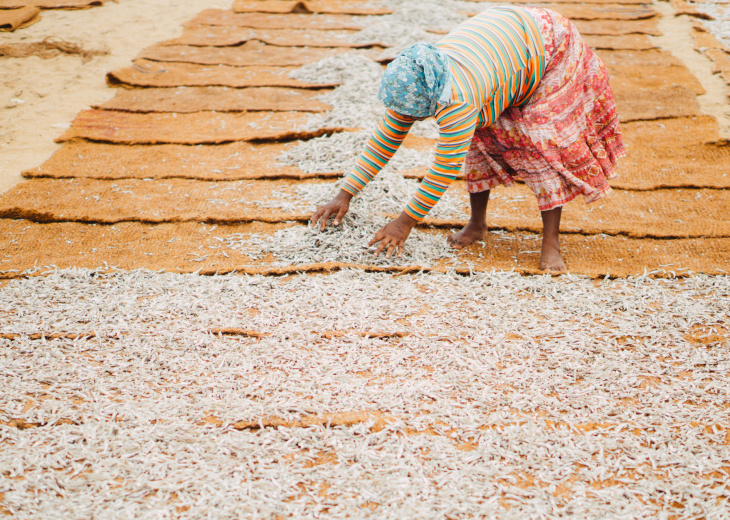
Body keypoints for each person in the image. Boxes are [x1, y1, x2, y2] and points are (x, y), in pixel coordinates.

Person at [310, 5, 625, 272]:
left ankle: (551, 242)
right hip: (502, 46)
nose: (406, 119)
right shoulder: (413, 83)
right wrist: (345, 194)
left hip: (549, 46)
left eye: (412, 115)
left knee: (539, 142)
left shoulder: (457, 100)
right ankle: (477, 224)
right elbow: (384, 141)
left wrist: (403, 223)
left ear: (432, 103)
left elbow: (443, 170)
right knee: (480, 141)